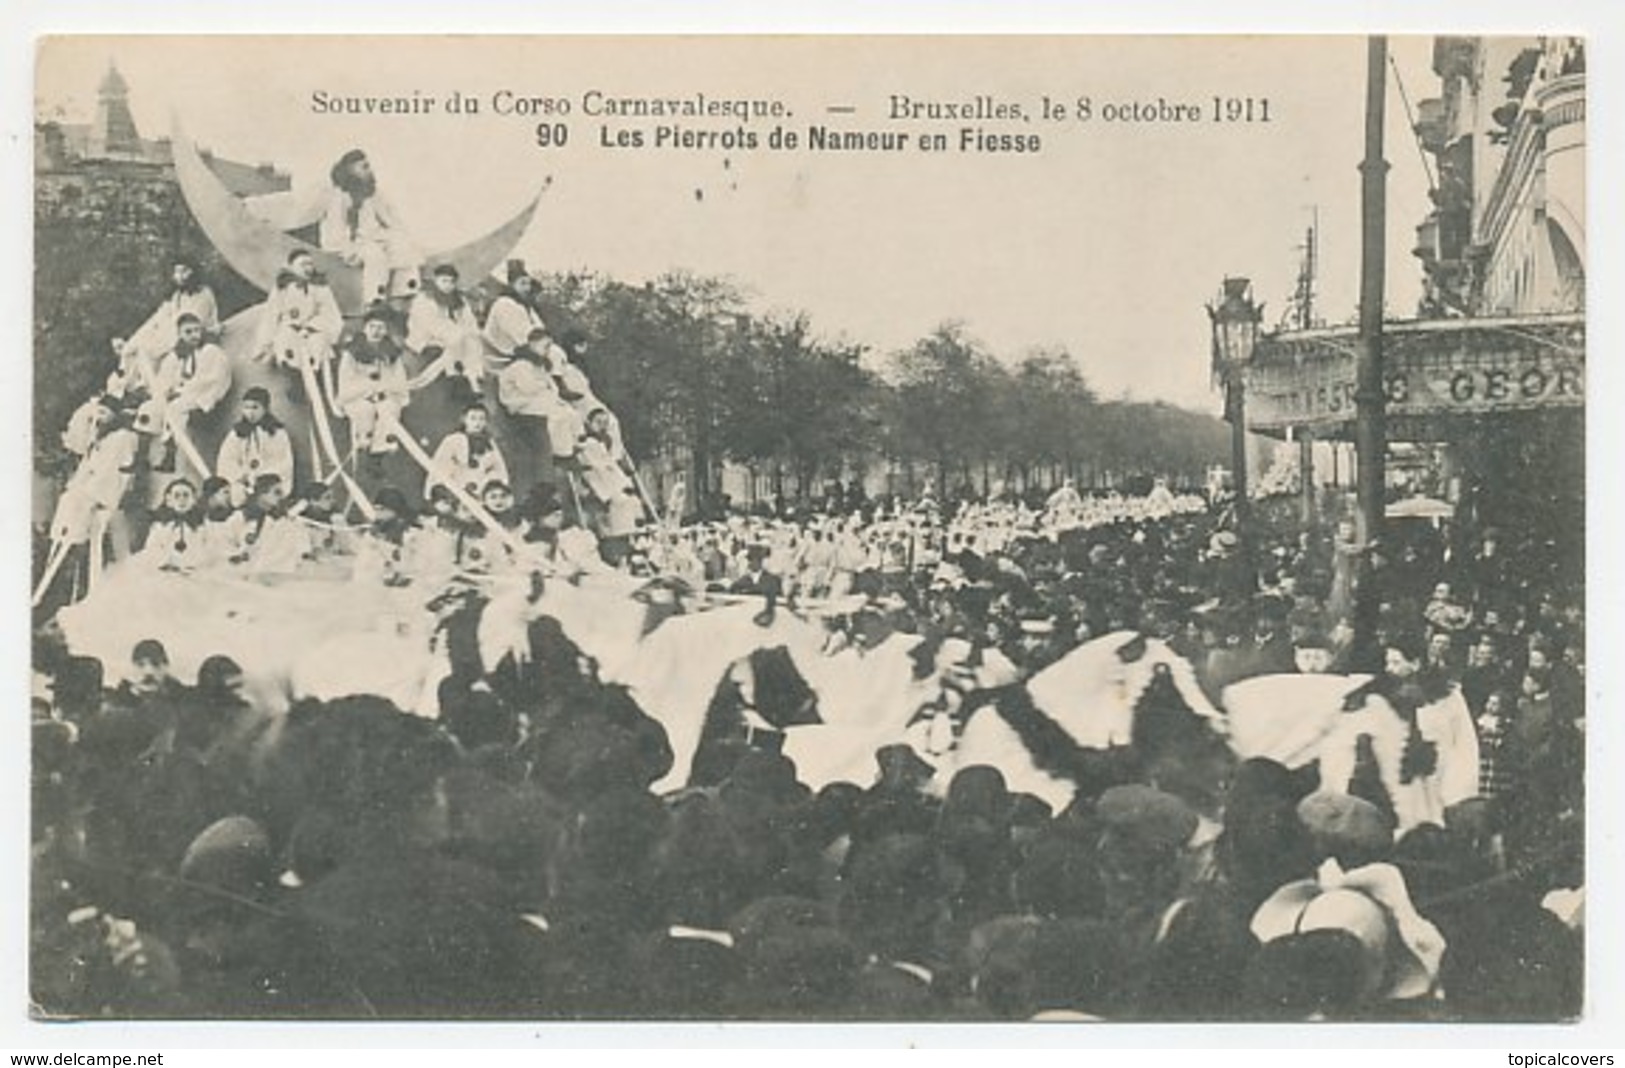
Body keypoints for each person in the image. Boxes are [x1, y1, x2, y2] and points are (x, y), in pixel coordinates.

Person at [320, 148, 421, 304]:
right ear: (351, 171)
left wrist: (400, 236)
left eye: (369, 166)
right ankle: (375, 298)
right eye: (364, 167)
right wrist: (349, 250)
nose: (370, 170)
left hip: (373, 237)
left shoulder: (373, 193)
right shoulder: (340, 196)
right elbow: (335, 230)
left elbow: (391, 218)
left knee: (402, 244)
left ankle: (404, 292)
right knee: (375, 255)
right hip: (349, 244)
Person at [136, 313, 233, 475]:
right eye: (188, 332)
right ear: (180, 334)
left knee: (175, 408)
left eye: (197, 330)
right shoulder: (176, 356)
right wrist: (165, 392)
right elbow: (164, 380)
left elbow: (210, 380)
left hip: (203, 397)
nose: (194, 335)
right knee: (148, 408)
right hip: (182, 396)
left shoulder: (210, 351)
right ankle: (140, 457)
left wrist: (179, 391)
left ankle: (170, 454)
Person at [112, 256, 220, 392]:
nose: (180, 276)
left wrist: (160, 342)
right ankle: (133, 388)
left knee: (149, 352)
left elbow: (191, 323)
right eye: (177, 272)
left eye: (184, 271)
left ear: (193, 272)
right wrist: (133, 342)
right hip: (175, 335)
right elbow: (157, 319)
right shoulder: (177, 296)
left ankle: (153, 390)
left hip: (196, 337)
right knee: (137, 348)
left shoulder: (203, 294)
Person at [254, 248, 344, 406]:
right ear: (291, 267)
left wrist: (314, 326)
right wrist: (264, 343)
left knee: (318, 343)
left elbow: (330, 313)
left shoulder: (320, 288)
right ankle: (294, 380)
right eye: (303, 264)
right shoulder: (282, 288)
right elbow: (271, 314)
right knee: (285, 340)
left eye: (310, 264)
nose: (308, 268)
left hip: (313, 328)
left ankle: (316, 378)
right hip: (290, 327)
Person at [336, 307, 411, 461]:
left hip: (385, 395)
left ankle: (380, 453)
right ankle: (363, 447)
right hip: (357, 396)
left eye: (380, 328)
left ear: (385, 331)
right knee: (364, 409)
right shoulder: (351, 352)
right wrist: (368, 390)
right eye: (372, 327)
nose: (376, 332)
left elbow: (398, 380)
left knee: (389, 408)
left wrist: (385, 391)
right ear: (365, 329)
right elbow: (346, 381)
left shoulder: (391, 353)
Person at [407, 263, 486, 401]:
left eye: (452, 282)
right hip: (427, 335)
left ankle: (472, 379)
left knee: (472, 341)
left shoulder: (459, 300)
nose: (448, 285)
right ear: (436, 280)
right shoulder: (424, 299)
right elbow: (429, 324)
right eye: (444, 281)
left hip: (453, 335)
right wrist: (456, 332)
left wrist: (470, 332)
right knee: (457, 338)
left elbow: (468, 321)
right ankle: (453, 374)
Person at [215, 387, 296, 508]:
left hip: (268, 483)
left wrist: (261, 477)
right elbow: (226, 460)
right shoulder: (236, 434)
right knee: (236, 495)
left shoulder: (278, 434)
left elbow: (283, 462)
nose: (250, 413)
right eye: (246, 407)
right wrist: (242, 476)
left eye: (255, 407)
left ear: (265, 408)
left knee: (267, 496)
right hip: (243, 482)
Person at [427, 403, 509, 504]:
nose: (477, 423)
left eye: (481, 419)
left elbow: (499, 467)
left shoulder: (489, 442)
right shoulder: (453, 439)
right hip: (457, 487)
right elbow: (440, 464)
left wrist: (495, 484)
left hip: (481, 489)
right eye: (473, 418)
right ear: (465, 420)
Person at [482, 261, 546, 373]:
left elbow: (541, 329)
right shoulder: (504, 304)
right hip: (499, 357)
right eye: (522, 283)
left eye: (528, 284)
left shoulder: (525, 306)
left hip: (522, 351)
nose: (527, 288)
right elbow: (522, 336)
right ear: (512, 285)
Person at [137, 478, 205, 572]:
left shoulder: (201, 527)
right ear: (169, 500)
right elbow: (152, 549)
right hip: (165, 572)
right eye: (176, 496)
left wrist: (188, 563)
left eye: (186, 495)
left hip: (193, 572)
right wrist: (167, 560)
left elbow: (204, 551)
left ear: (193, 500)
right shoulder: (160, 526)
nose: (182, 500)